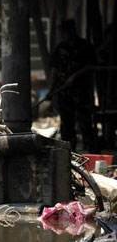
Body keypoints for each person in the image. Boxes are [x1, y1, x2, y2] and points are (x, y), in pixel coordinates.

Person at [50, 19, 96, 151]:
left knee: (85, 123)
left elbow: (91, 66)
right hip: (64, 93)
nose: (63, 34)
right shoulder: (60, 49)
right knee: (67, 125)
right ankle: (68, 153)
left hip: (82, 92)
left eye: (64, 31)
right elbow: (54, 71)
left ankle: (91, 151)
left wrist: (75, 76)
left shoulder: (85, 46)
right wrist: (51, 90)